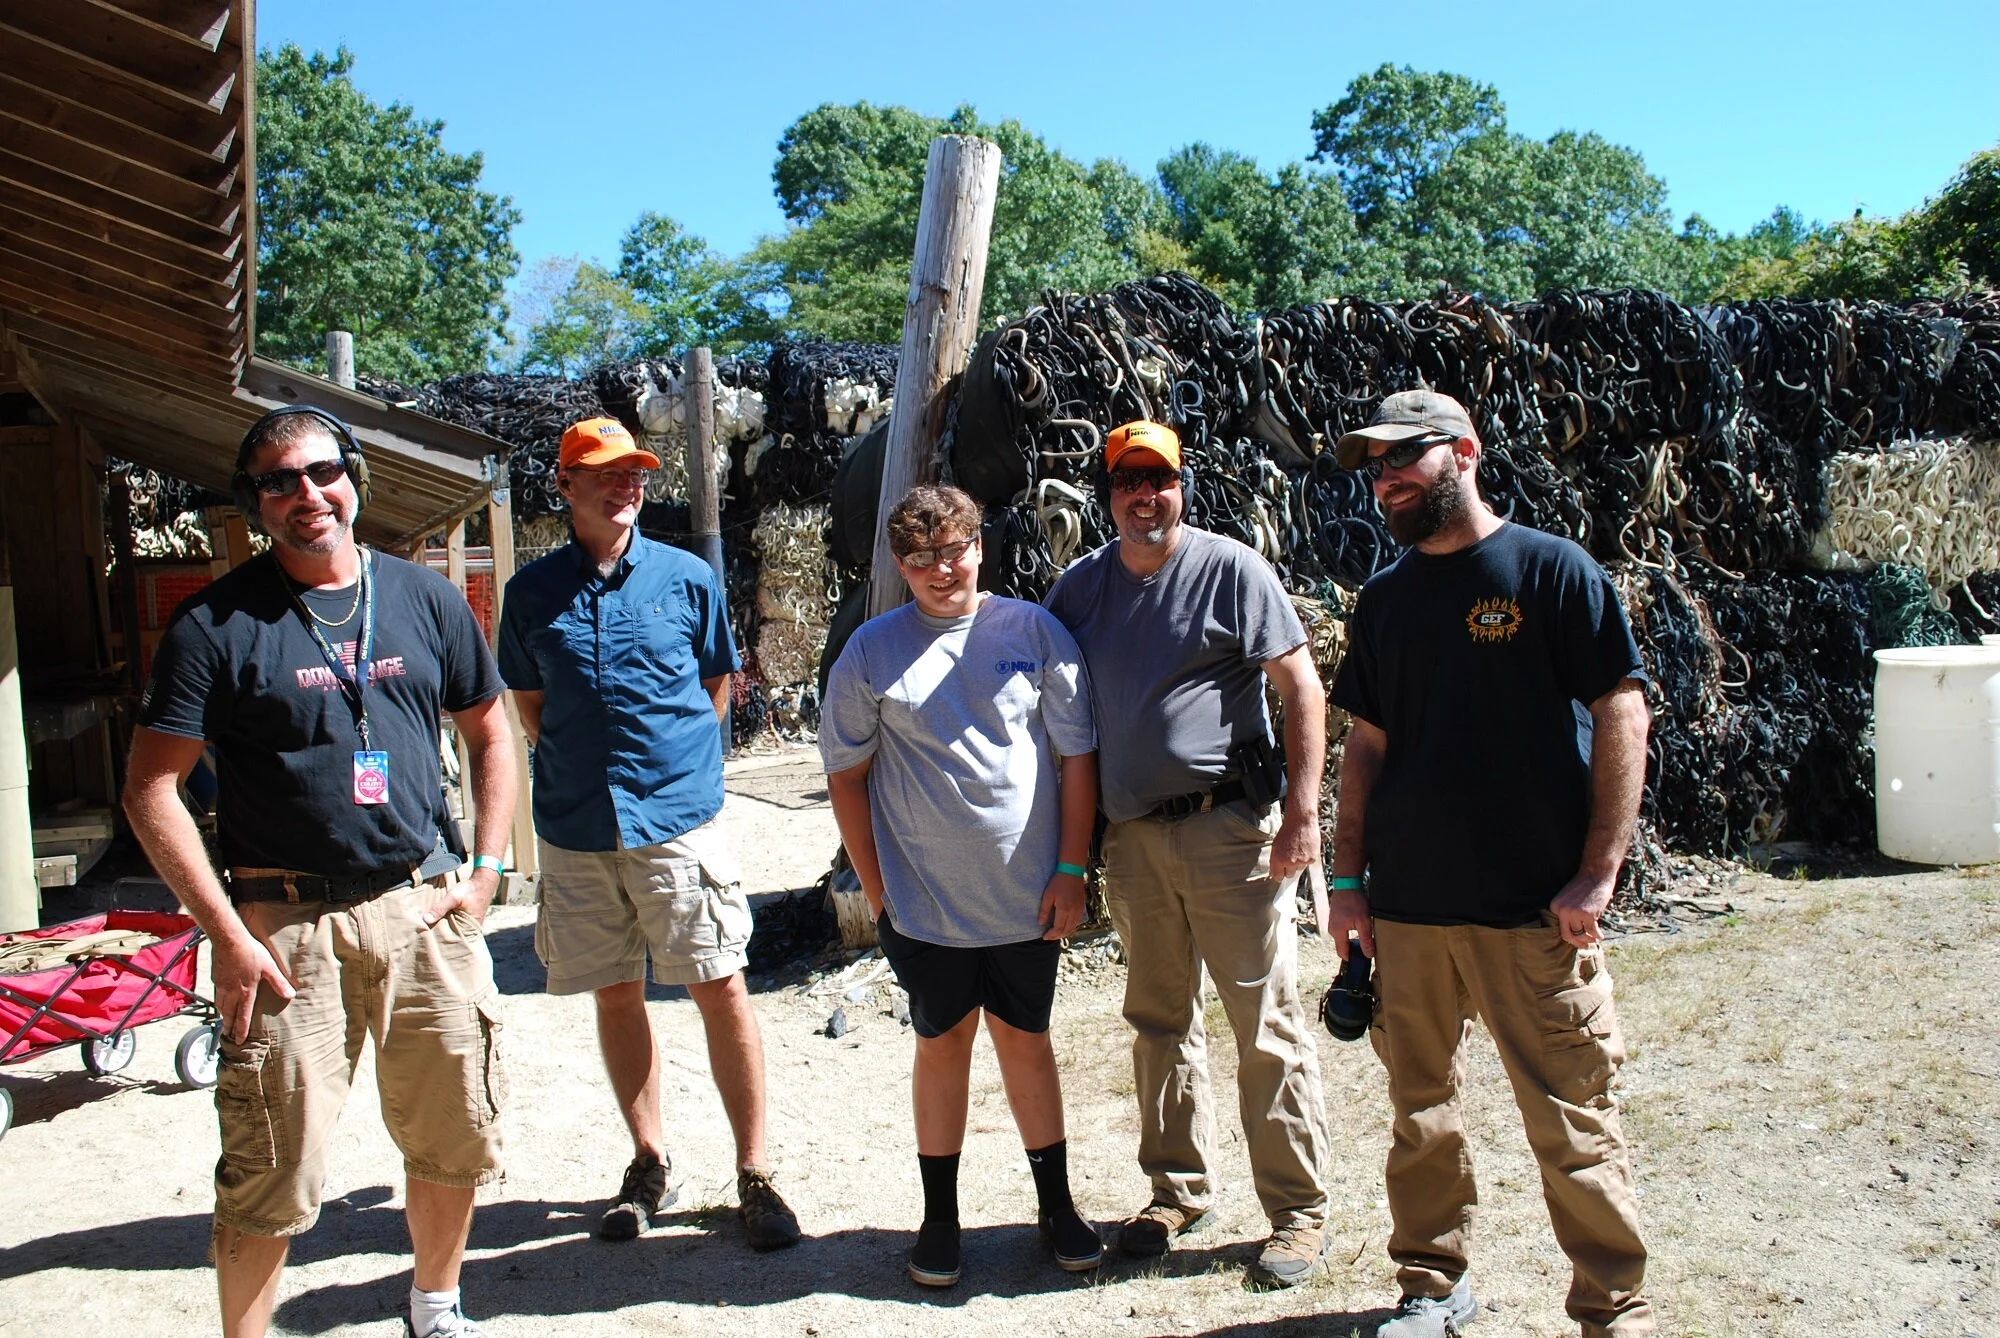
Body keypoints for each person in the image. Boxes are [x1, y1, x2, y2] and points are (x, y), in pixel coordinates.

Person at [123, 405, 518, 1338]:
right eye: (279, 481)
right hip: (282, 931)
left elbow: (492, 729)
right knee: (271, 1161)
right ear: (255, 504)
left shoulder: (425, 599)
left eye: (323, 472)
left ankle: (435, 1307)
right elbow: (150, 790)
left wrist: (487, 868)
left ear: (355, 480)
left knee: (453, 1130)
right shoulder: (213, 624)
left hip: (424, 908)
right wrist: (225, 933)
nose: (309, 494)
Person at [1325, 390, 1656, 1337]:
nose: (1384, 478)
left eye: (1404, 458)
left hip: (1531, 912)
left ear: (1464, 452)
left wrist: (1598, 873)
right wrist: (1348, 887)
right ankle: (1432, 1289)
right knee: (1419, 1114)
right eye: (1374, 465)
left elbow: (1621, 713)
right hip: (1413, 914)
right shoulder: (1385, 600)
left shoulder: (1552, 571)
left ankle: (1612, 1309)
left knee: (1573, 1124)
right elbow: (1367, 748)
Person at [495, 416, 800, 1251]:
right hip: (578, 826)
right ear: (565, 486)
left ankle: (756, 1171)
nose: (624, 484)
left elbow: (717, 683)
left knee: (719, 983)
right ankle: (648, 1161)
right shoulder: (529, 597)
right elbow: (531, 711)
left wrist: (682, 777)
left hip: (676, 822)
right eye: (603, 472)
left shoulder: (686, 577)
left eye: (634, 471)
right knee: (616, 991)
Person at [1044, 421, 1332, 1289]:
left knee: (1266, 1025)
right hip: (1132, 843)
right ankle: (1176, 1190)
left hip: (1229, 833)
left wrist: (1305, 815)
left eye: (1158, 480)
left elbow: (1300, 686)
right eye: (1128, 482)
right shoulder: (1079, 591)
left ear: (1182, 487)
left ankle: (1298, 1212)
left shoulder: (1231, 570)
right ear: (1107, 496)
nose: (1145, 496)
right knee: (1158, 1021)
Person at [820, 484, 1103, 1288]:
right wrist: (877, 890)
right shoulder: (871, 653)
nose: (941, 570)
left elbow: (1076, 757)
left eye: (954, 550)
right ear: (899, 565)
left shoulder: (1034, 632)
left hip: (1028, 899)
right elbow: (846, 774)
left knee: (1027, 1043)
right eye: (919, 558)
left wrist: (1073, 869)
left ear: (982, 544)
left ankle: (1057, 1208)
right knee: (942, 1047)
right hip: (927, 906)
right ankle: (939, 1221)